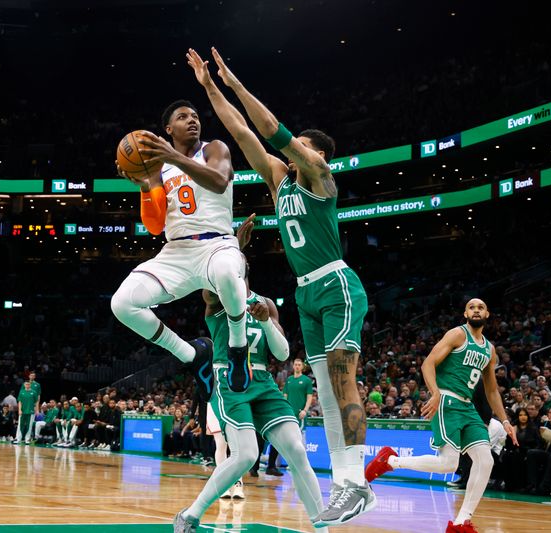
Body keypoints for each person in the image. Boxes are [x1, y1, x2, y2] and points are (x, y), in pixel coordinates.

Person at [186, 48, 373, 525]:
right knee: (326, 394)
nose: (289, 154)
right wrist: (210, 88)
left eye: (300, 148)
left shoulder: (320, 177)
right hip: (305, 291)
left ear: (318, 156)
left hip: (336, 283)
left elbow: (271, 130)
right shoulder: (278, 179)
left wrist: (235, 81)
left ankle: (357, 482)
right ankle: (345, 485)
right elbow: (244, 133)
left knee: (341, 376)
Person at [174, 217, 327, 533]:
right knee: (246, 455)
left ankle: (322, 529)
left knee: (297, 451)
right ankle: (190, 515)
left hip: (263, 382)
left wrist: (267, 321)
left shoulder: (266, 302)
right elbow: (211, 274)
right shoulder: (214, 297)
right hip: (231, 380)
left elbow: (283, 354)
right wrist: (234, 245)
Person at [111, 95, 252, 398]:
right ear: (168, 129)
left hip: (218, 243)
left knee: (228, 273)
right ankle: (191, 355)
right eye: (183, 117)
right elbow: (154, 225)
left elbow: (218, 181)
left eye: (195, 116)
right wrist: (147, 184)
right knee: (122, 303)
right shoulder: (159, 169)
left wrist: (173, 159)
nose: (192, 120)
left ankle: (238, 349)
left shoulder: (215, 149)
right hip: (176, 252)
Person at [366, 299, 518, 533]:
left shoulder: (489, 349)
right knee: (448, 463)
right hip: (447, 400)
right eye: (471, 307)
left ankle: (460, 523)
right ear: (465, 313)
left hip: (468, 408)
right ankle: (390, 461)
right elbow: (428, 364)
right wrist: (435, 393)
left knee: (485, 460)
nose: (476, 309)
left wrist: (506, 420)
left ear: (487, 314)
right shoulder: (457, 334)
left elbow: (491, 390)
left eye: (481, 307)